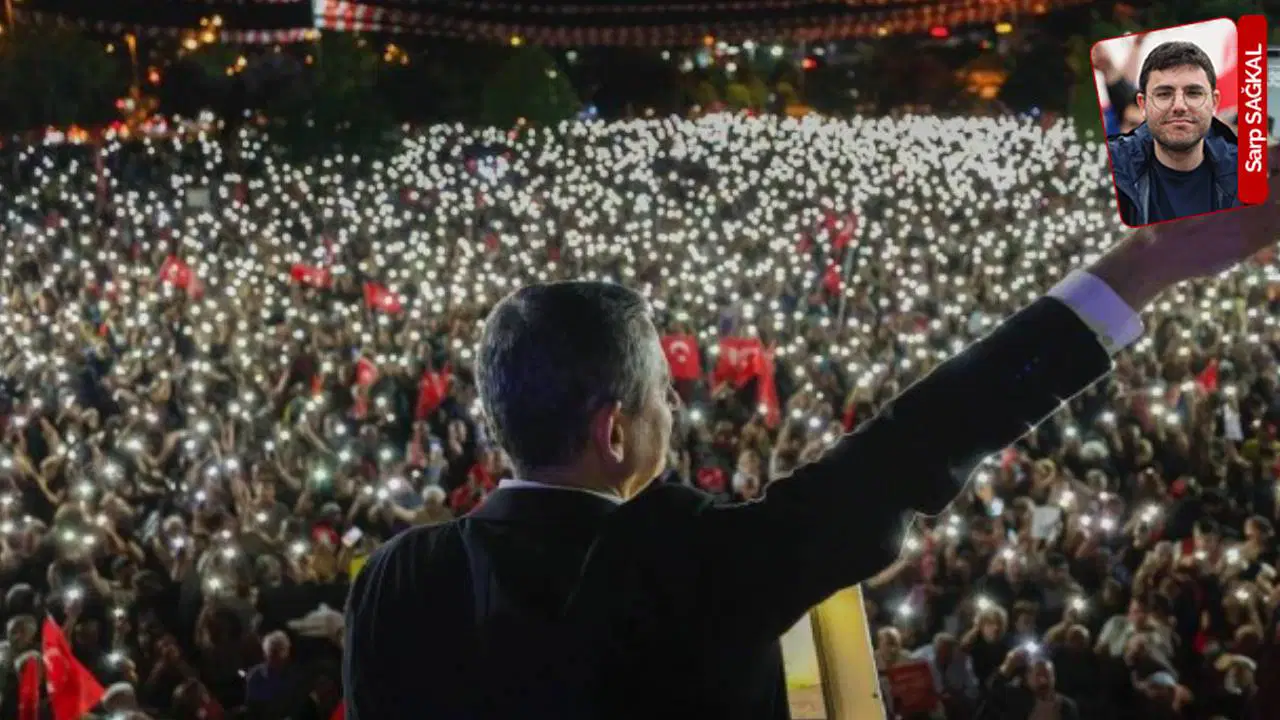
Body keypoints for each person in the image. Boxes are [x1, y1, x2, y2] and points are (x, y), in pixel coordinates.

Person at [342, 191, 1280, 719]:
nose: (681, 412)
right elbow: (922, 440)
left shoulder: (394, 578)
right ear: (614, 432)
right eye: (664, 397)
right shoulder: (691, 562)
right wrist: (1142, 265)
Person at [1106, 41, 1240, 226]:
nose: (1179, 106)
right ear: (1143, 104)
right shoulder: (1108, 168)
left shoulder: (1251, 173)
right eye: (1164, 94)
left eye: (1193, 93)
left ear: (1214, 103)